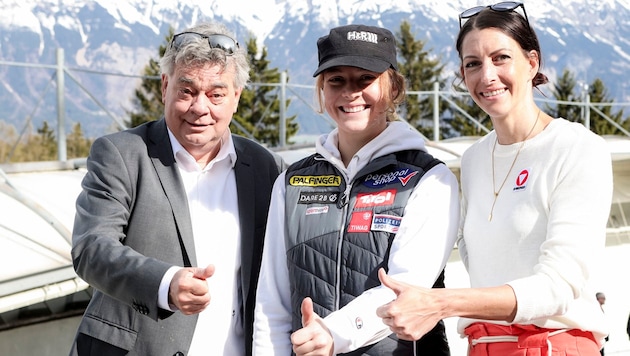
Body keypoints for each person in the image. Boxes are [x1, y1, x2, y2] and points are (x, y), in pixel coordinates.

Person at [376, 2, 613, 356]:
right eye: (473, 64)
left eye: (501, 58)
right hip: (482, 346)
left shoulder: (576, 148)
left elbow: (558, 286)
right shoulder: (472, 161)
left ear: (532, 63)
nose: (486, 76)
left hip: (551, 346)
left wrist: (443, 303)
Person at [69, 22, 282, 356]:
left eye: (216, 94)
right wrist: (165, 283)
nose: (200, 107)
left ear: (236, 98)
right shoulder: (122, 154)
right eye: (187, 91)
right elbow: (91, 248)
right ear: (165, 87)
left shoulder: (264, 166)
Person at [253, 24, 459, 355]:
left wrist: (334, 332)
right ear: (322, 90)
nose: (351, 92)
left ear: (393, 88)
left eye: (366, 79)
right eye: (337, 81)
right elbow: (271, 304)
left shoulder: (429, 178)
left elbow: (406, 289)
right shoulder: (292, 182)